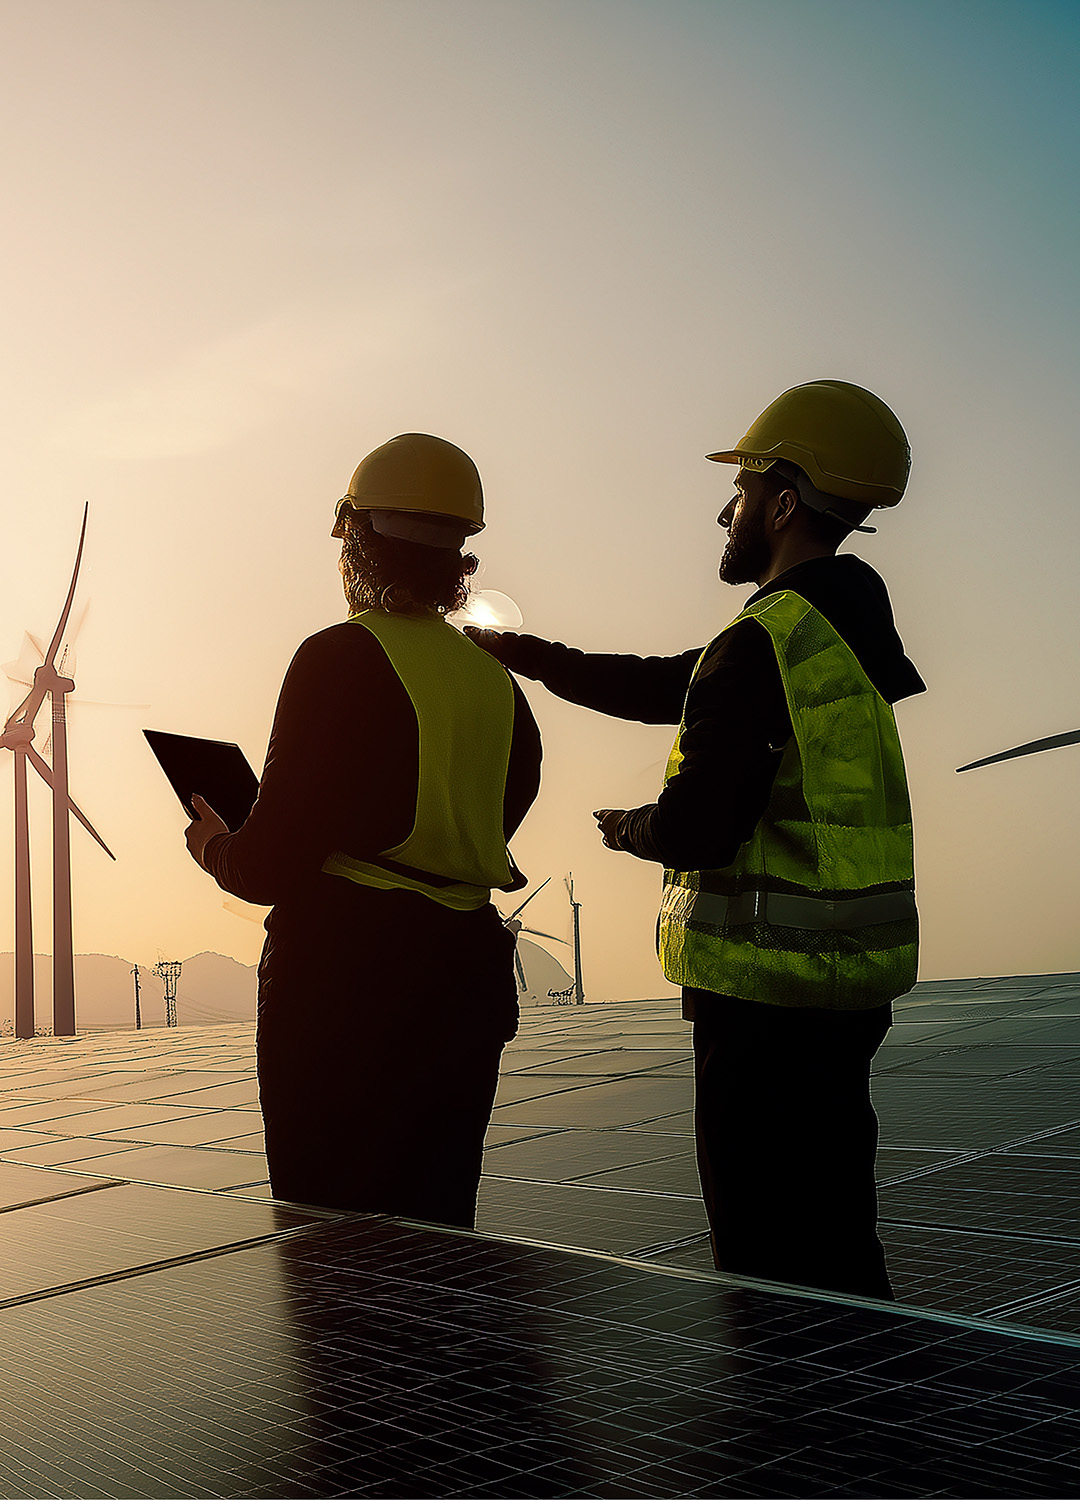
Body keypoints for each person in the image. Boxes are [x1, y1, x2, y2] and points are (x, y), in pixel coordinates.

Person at [467, 381, 923, 1300]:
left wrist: (631, 829)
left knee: (769, 1261)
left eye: (742, 492)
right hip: (843, 992)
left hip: (763, 1004)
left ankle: (796, 1391)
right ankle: (863, 1389)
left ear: (784, 505)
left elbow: (704, 825)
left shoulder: (764, 641)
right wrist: (527, 654)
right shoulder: (833, 631)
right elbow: (668, 685)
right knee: (835, 1238)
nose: (728, 513)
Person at [184, 433, 541, 1228]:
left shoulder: (336, 658)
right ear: (458, 560)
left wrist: (214, 846)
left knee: (332, 1244)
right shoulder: (497, 682)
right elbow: (496, 810)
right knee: (438, 1233)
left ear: (355, 542)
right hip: (465, 981)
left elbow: (267, 866)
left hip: (344, 987)